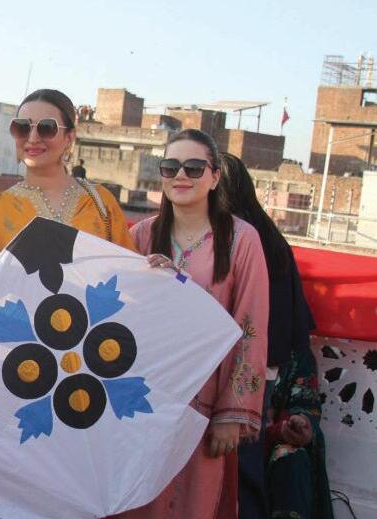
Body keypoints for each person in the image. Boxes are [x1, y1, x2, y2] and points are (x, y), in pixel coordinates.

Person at [120, 129, 268, 518]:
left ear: (215, 176)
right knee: (135, 500)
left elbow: (250, 325)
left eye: (194, 167)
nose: (181, 176)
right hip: (142, 403)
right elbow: (117, 315)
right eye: (170, 167)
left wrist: (232, 412)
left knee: (191, 503)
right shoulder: (141, 236)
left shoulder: (241, 240)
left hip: (204, 405)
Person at [0, 88, 134, 321]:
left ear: (69, 137)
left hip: (97, 334)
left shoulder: (100, 202)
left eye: (46, 128)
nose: (32, 138)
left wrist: (159, 270)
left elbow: (132, 278)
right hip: (23, 338)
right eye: (22, 127)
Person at [221, 153, 332, 519]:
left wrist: (296, 425)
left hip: (245, 382)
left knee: (257, 464)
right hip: (237, 378)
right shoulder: (267, 240)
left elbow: (302, 401)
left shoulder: (246, 242)